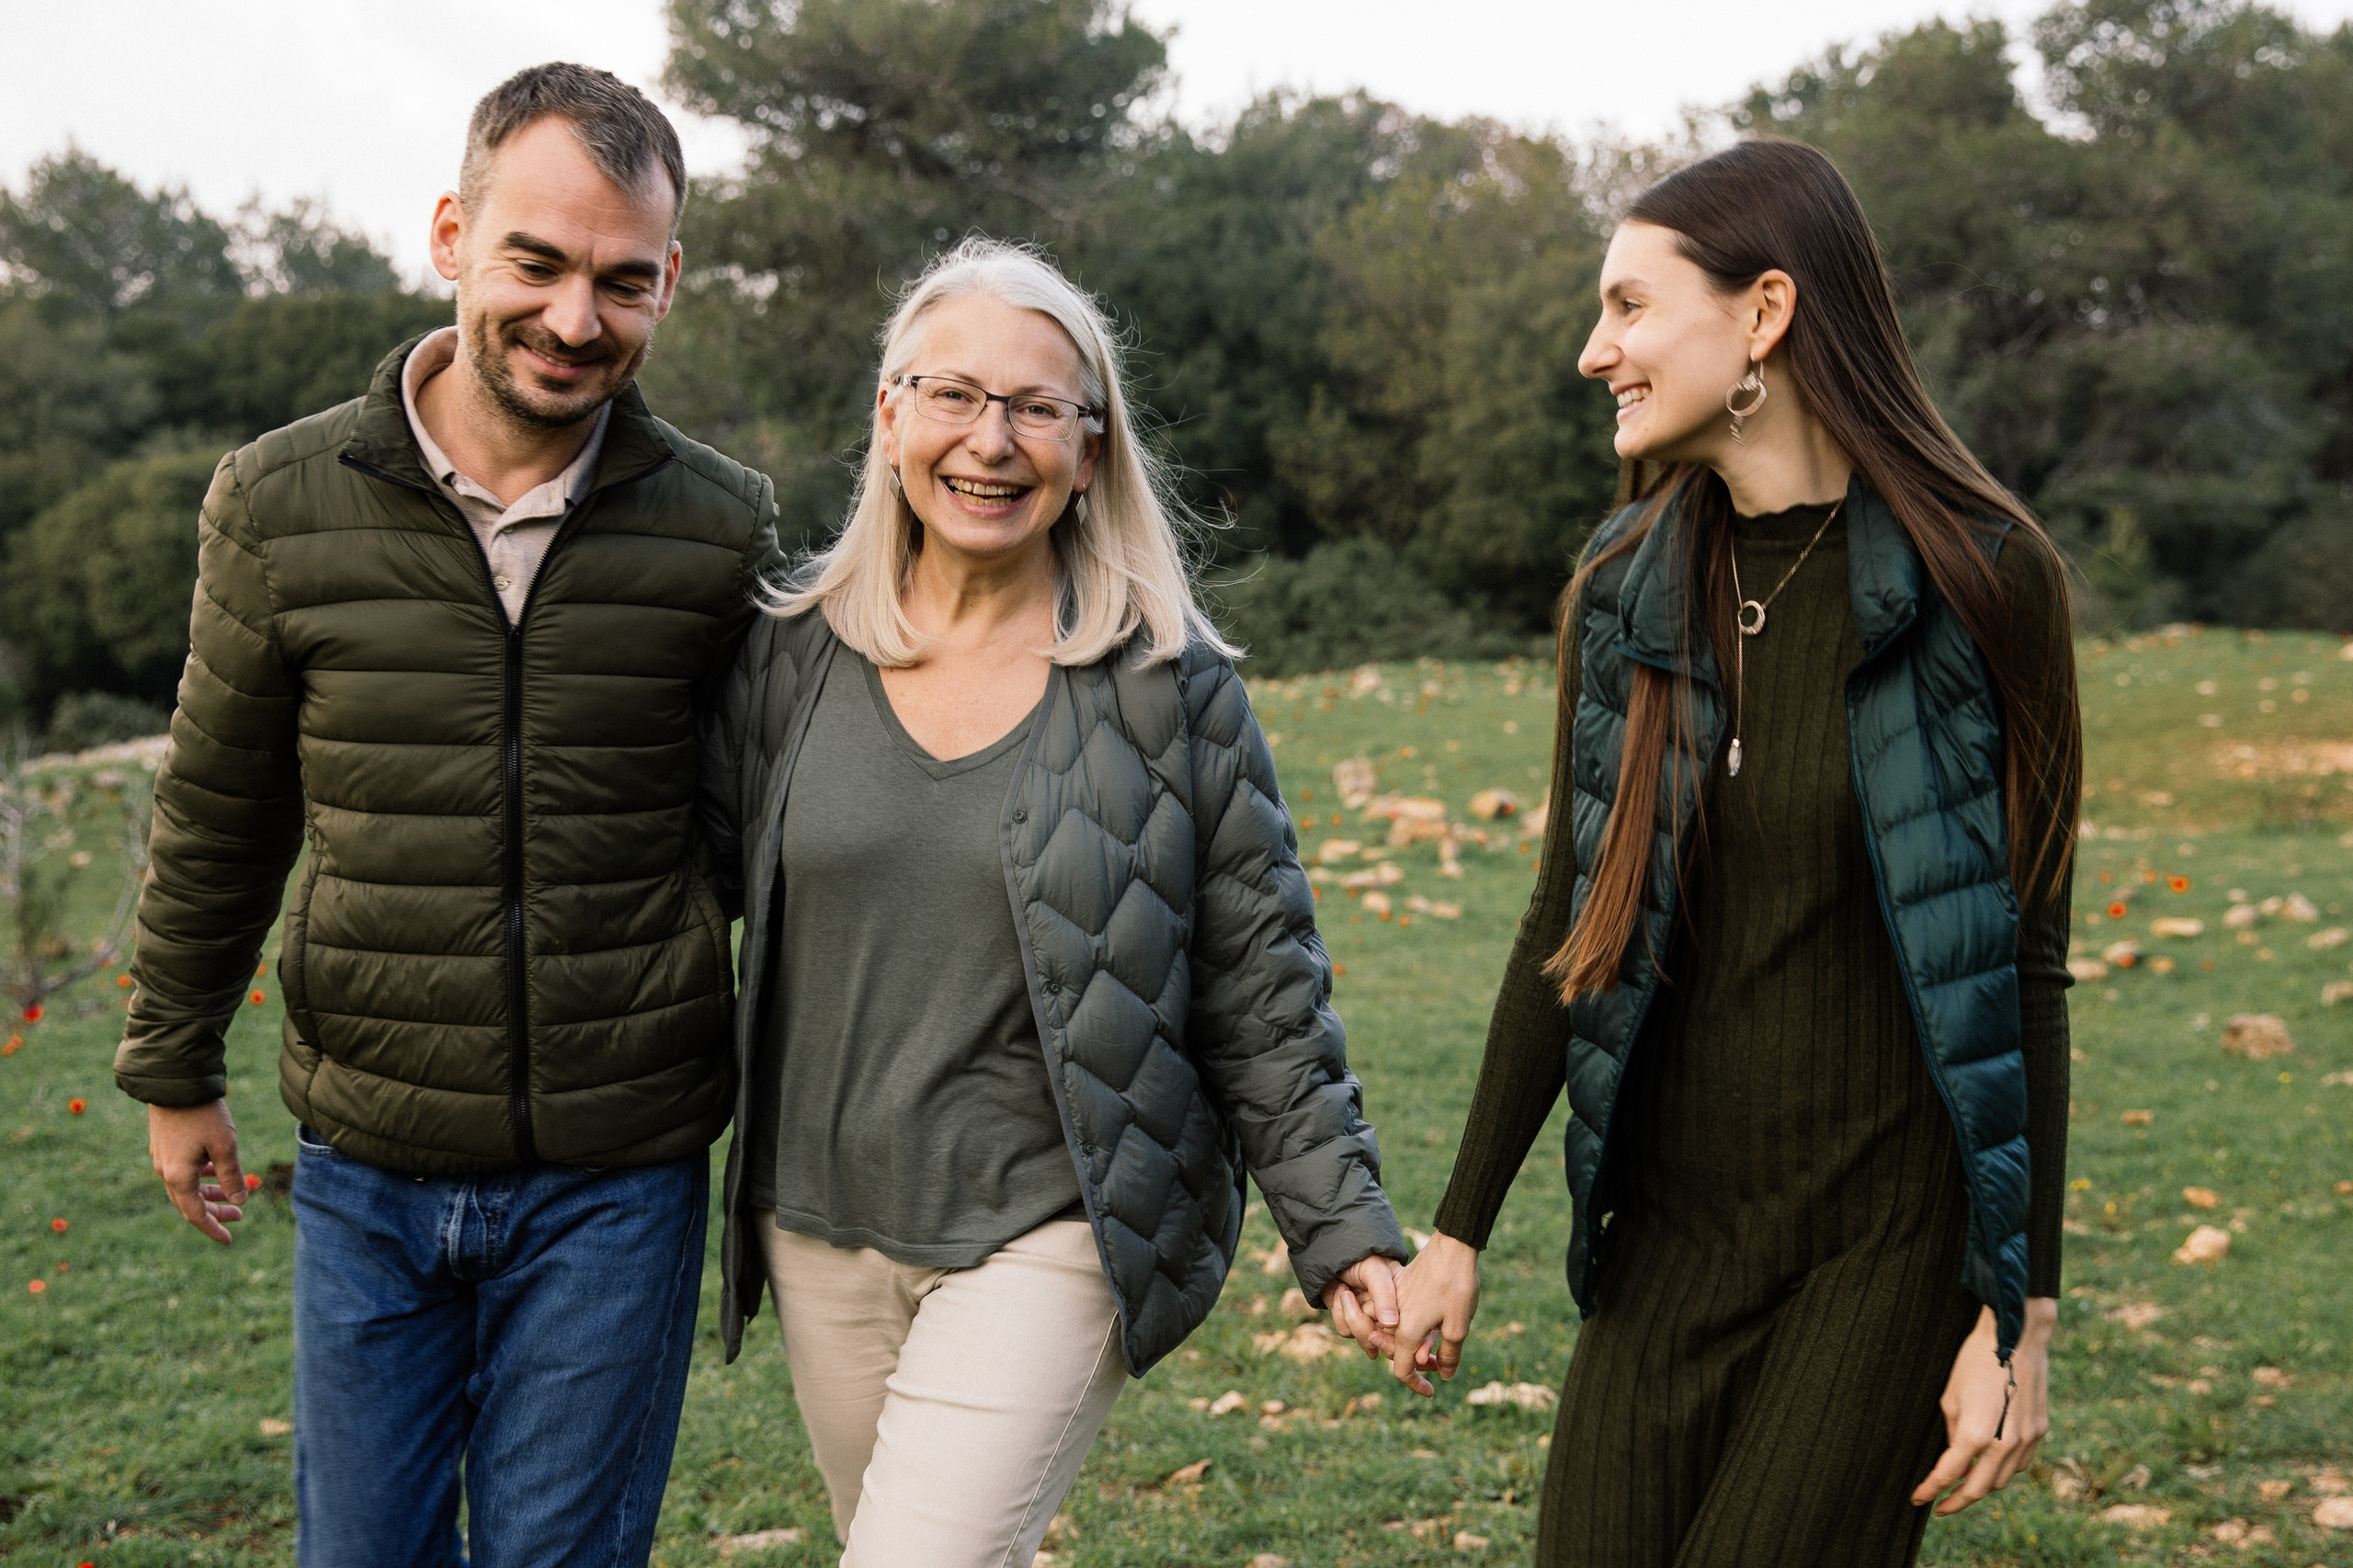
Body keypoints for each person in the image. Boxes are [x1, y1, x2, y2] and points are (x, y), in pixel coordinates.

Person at [113, 63, 781, 1566]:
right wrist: (172, 1064)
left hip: (620, 1174)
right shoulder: (282, 503)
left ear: (667, 282)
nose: (572, 318)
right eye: (535, 264)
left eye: (622, 281)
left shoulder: (719, 527)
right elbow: (218, 806)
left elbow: (766, 833)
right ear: (452, 236)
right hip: (367, 1158)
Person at [1386, 138, 2083, 1566]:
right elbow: (1562, 923)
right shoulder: (1623, 595)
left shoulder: (1988, 582)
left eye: (1630, 307)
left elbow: (2026, 964)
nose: (1596, 353)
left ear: (1764, 314)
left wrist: (2020, 1316)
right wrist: (1457, 1228)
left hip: (1880, 1251)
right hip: (1665, 1247)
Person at [699, 237, 1408, 1564]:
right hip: (817, 1228)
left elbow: (1263, 986)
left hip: (1053, 1223)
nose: (994, 439)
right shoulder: (787, 655)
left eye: (1038, 407)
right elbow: (673, 899)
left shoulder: (1166, 689)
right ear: (891, 416)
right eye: (955, 394)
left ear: (1090, 450)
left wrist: (1343, 1227)